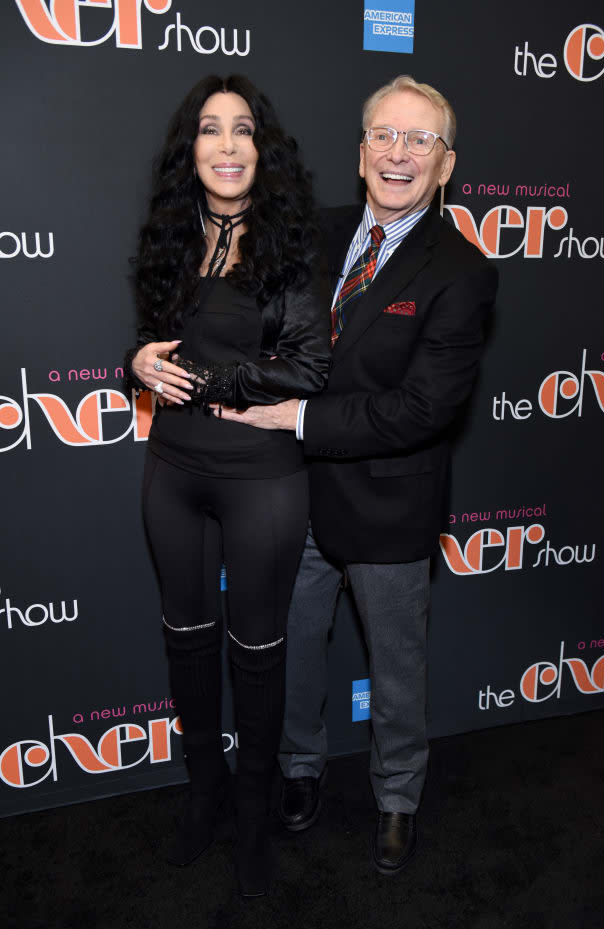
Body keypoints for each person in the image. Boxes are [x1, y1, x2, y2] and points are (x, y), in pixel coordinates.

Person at [212, 75, 498, 875]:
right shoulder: (316, 235)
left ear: (446, 165)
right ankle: (300, 769)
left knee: (397, 668)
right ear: (360, 149)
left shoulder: (462, 272)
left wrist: (294, 419)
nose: (397, 154)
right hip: (294, 496)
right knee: (298, 649)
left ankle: (398, 797)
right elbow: (241, 321)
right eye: (383, 135)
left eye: (419, 141)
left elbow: (420, 411)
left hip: (389, 506)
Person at [125, 74, 330, 897]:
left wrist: (211, 381)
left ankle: (253, 816)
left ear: (262, 148)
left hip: (262, 481)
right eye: (211, 130)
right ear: (193, 150)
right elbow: (149, 345)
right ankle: (203, 792)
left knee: (256, 650)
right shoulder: (171, 236)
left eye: (243, 130)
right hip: (172, 471)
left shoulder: (290, 241)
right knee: (187, 641)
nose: (228, 145)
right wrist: (133, 362)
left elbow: (310, 365)